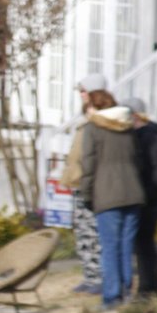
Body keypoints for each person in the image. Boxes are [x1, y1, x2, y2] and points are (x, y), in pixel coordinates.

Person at [78, 88, 145, 310]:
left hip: (107, 193)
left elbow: (88, 164)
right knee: (126, 246)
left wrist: (86, 195)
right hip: (133, 192)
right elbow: (137, 157)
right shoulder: (128, 126)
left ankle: (111, 296)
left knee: (109, 247)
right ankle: (126, 291)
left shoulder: (93, 128)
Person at [61, 74, 106, 294]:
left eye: (84, 91)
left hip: (92, 186)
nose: (81, 95)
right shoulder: (85, 120)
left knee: (93, 233)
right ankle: (89, 275)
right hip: (79, 184)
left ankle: (98, 277)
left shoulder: (99, 120)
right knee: (82, 232)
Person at [120, 97, 157, 297]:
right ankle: (146, 287)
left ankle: (149, 287)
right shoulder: (135, 135)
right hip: (139, 197)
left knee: (145, 244)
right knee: (141, 244)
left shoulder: (150, 134)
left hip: (148, 199)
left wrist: (150, 192)